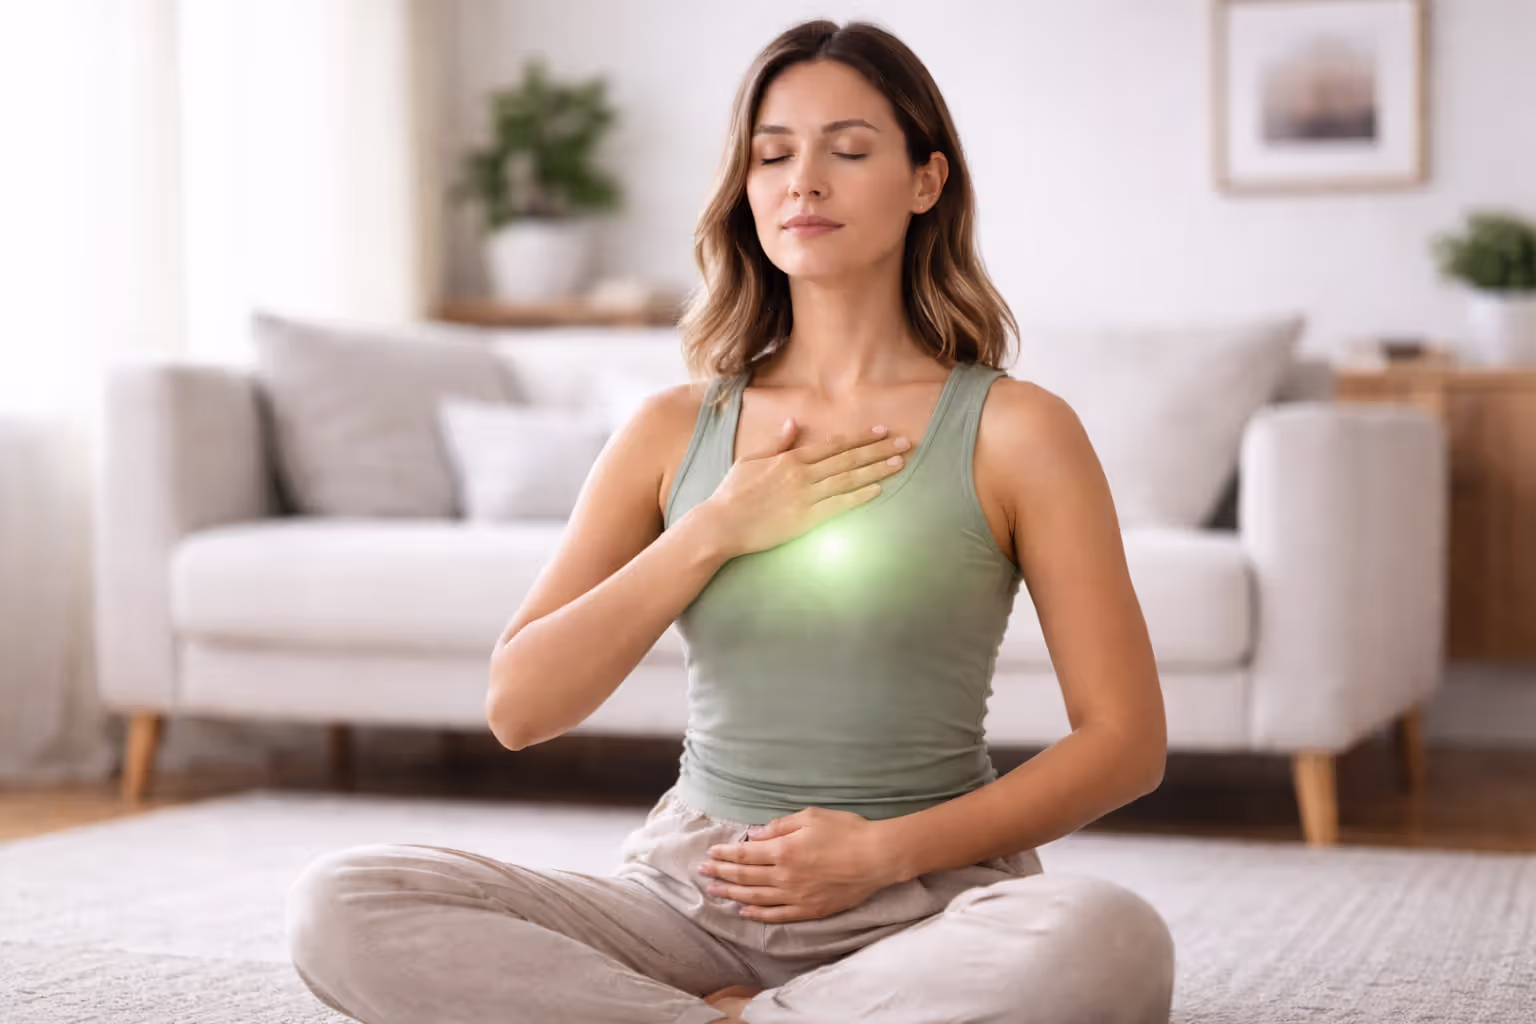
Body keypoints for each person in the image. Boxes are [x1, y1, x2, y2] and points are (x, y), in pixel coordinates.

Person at [285, 17, 1175, 1024]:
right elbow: (520, 705)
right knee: (342, 901)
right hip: (691, 899)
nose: (804, 180)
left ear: (926, 182)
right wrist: (714, 526)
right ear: (745, 190)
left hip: (930, 902)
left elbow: (1126, 742)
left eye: (848, 149)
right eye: (772, 154)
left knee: (1110, 941)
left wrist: (879, 853)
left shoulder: (1018, 430)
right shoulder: (672, 429)